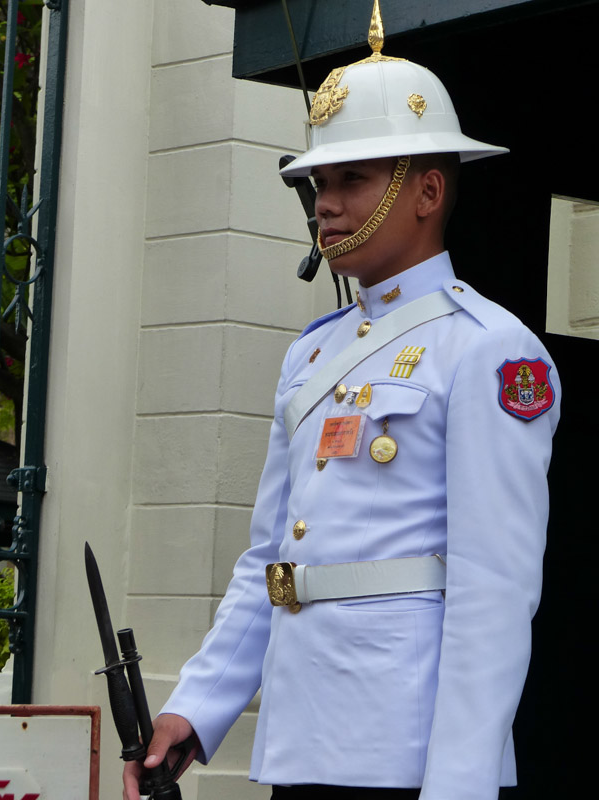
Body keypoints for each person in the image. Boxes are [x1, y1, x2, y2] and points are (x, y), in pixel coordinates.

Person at [123, 2, 560, 799]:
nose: (324, 202)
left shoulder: (489, 348)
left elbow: (494, 587)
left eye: (350, 179)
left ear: (427, 191)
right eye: (318, 182)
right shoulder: (313, 352)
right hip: (303, 739)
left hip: (402, 751)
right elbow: (271, 561)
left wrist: (459, 782)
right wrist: (198, 706)